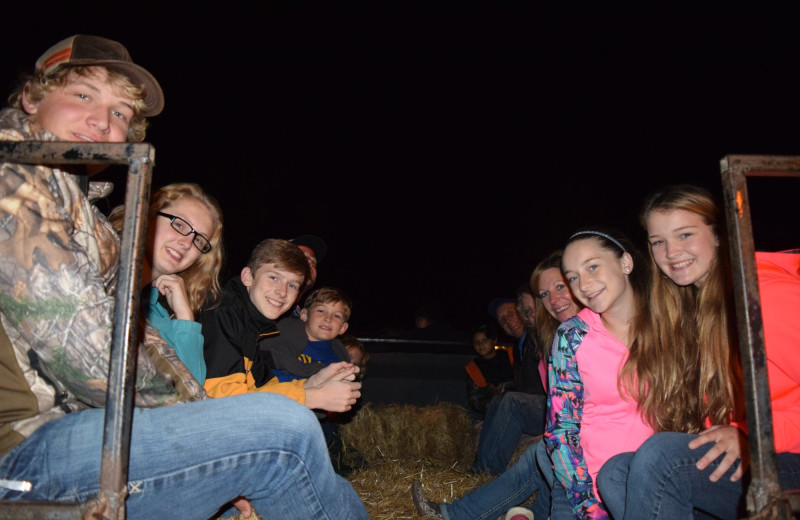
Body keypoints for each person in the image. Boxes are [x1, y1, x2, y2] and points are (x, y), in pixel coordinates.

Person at [0, 34, 368, 519]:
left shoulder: (83, 213)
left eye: (120, 114)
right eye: (84, 95)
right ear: (32, 96)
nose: (102, 121)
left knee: (265, 463)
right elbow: (91, 354)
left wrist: (215, 432)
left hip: (84, 428)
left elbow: (148, 353)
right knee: (284, 429)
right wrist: (233, 419)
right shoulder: (17, 182)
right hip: (26, 447)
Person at [597, 184, 800, 519]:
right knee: (617, 472)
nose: (671, 252)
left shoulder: (762, 296)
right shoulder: (691, 307)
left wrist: (752, 435)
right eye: (658, 242)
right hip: (760, 455)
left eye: (685, 234)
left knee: (664, 458)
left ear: (719, 236)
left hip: (785, 451)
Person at [411, 251, 581, 520]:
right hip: (561, 421)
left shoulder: (572, 334)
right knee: (532, 443)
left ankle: (484, 476)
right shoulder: (544, 340)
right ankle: (463, 508)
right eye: (545, 295)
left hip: (571, 426)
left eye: (560, 287)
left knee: (517, 410)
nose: (553, 300)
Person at [540, 229, 656, 519]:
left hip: (657, 482)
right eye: (574, 277)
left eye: (592, 266)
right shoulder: (572, 335)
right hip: (585, 488)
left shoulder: (668, 322)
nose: (584, 284)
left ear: (625, 263)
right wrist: (589, 506)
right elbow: (561, 429)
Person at [201, 238, 362, 414]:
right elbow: (223, 403)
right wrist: (313, 397)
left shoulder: (255, 324)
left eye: (292, 285)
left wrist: (312, 383)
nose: (282, 292)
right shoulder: (223, 312)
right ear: (248, 276)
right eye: (273, 277)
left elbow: (264, 385)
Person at [108, 182, 223, 385]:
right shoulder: (101, 267)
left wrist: (186, 317)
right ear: (149, 214)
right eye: (179, 224)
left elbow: (193, 390)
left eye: (199, 240)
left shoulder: (161, 316)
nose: (187, 243)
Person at [471, 295, 547, 476]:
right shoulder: (518, 348)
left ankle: (490, 472)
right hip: (533, 404)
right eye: (502, 319)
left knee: (512, 401)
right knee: (499, 400)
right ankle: (478, 467)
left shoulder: (539, 337)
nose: (507, 320)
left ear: (523, 312)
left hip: (552, 406)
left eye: (511, 314)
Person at [264, 286, 352, 383]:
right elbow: (266, 371)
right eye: (321, 311)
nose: (328, 319)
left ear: (343, 328)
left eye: (336, 316)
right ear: (305, 315)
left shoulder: (337, 359)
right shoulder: (282, 338)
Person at [465, 323, 515, 416]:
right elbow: (475, 400)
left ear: (494, 341)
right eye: (476, 342)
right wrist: (495, 404)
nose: (481, 345)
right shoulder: (473, 368)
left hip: (518, 404)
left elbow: (524, 382)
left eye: (484, 340)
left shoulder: (511, 356)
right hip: (495, 412)